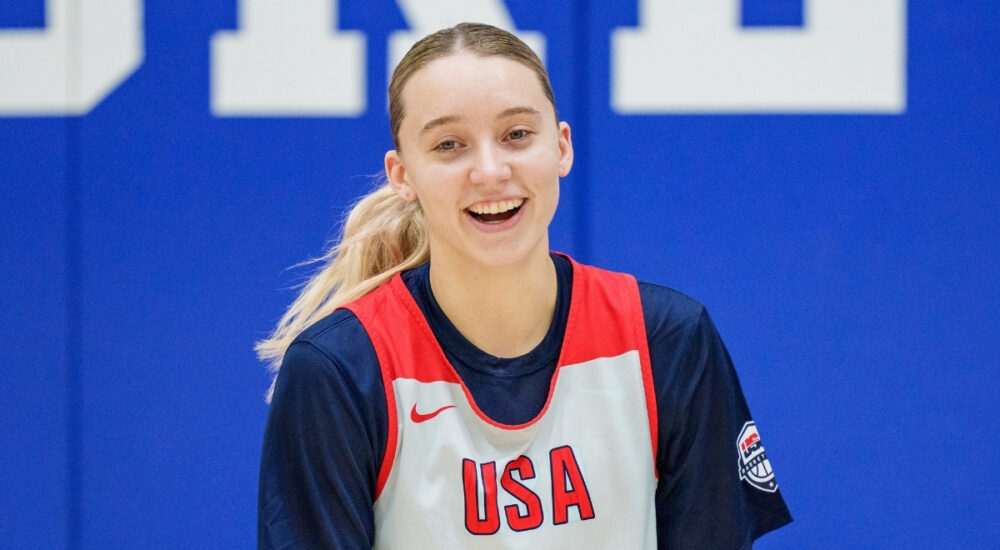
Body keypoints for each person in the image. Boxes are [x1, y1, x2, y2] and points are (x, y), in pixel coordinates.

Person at [256, 22, 791, 549]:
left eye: (516, 135)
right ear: (402, 176)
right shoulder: (340, 371)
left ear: (561, 147)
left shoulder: (667, 340)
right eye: (449, 145)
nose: (490, 171)